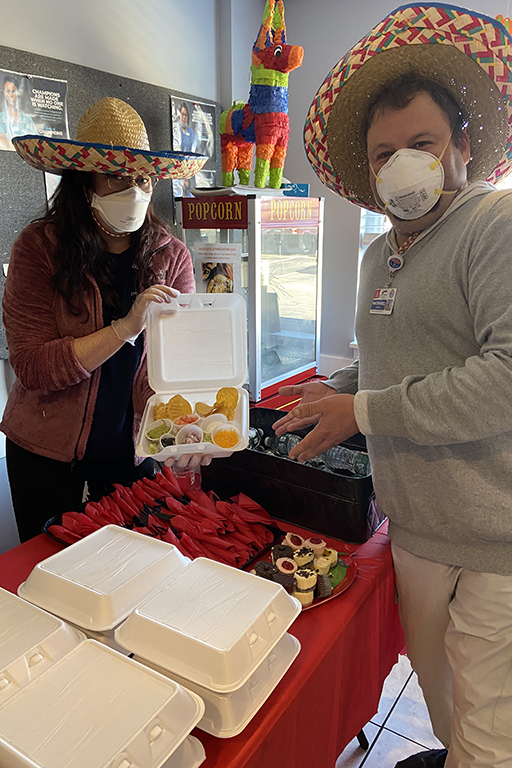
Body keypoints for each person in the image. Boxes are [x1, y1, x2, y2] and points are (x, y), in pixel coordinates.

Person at [274, 5, 512, 768]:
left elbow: (504, 377)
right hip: (414, 528)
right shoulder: (381, 256)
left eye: (422, 144)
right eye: (384, 154)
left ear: (463, 148)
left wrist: (363, 408)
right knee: (444, 702)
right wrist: (333, 392)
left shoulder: (492, 227)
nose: (401, 165)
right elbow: (384, 361)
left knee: (489, 734)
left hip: (493, 539)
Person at [1, 96, 208, 543]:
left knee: (134, 567)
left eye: (143, 178)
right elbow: (34, 367)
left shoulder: (170, 256)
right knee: (52, 574)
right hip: (46, 451)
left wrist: (184, 423)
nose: (133, 190)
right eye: (116, 176)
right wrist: (124, 328)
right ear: (83, 182)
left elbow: (174, 367)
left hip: (131, 449)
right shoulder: (39, 249)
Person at [0, 75, 38, 150]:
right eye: (8, 91)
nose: (11, 95)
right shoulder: (0, 118)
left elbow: (36, 144)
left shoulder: (27, 120)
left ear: (18, 93)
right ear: (4, 93)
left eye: (13, 91)